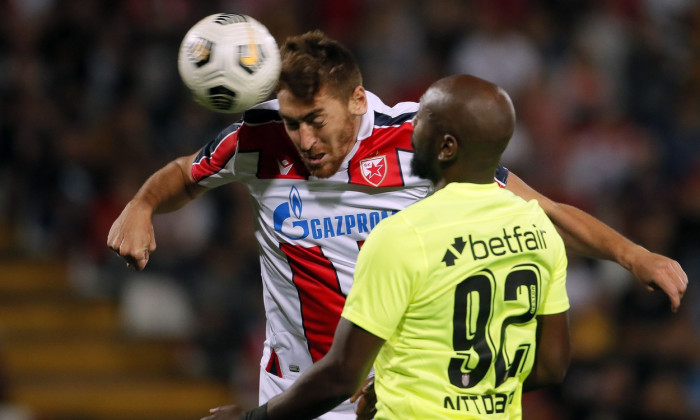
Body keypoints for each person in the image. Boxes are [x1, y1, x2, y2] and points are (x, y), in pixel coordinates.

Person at [107, 30, 687, 420]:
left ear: (358, 100)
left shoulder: (418, 139)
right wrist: (142, 205)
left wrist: (633, 255)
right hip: (294, 392)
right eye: (291, 123)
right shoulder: (257, 141)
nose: (304, 140)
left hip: (394, 395)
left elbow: (538, 211)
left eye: (315, 121)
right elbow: (186, 173)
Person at [206, 73, 571, 420]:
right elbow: (552, 366)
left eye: (424, 119)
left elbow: (343, 376)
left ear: (446, 146)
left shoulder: (404, 236)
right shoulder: (537, 227)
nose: (408, 127)